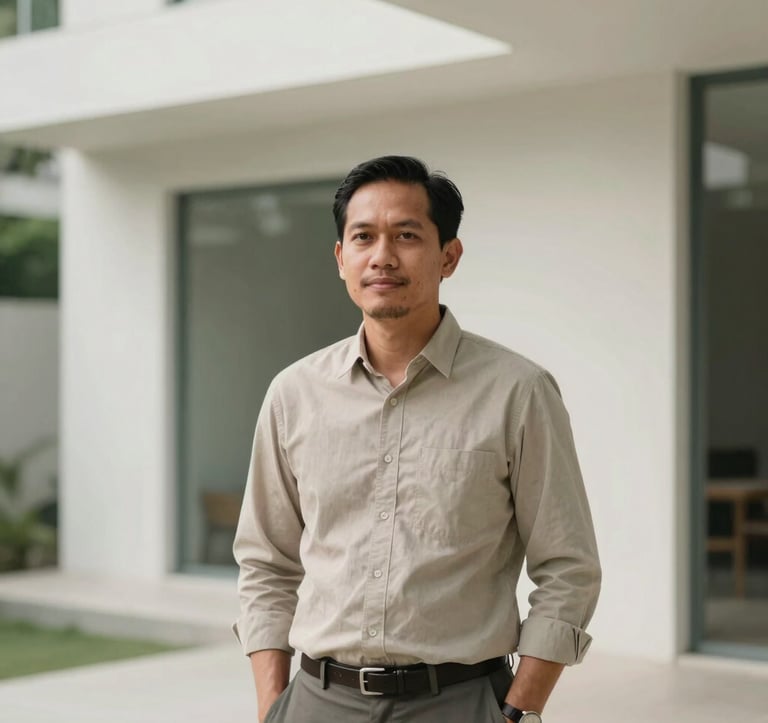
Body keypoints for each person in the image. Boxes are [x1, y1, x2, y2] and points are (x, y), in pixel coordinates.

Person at [233, 155, 601, 723]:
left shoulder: (518, 391)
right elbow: (266, 563)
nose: (382, 256)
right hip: (316, 701)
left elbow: (568, 566)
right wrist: (272, 705)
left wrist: (521, 709)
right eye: (363, 237)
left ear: (448, 256)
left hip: (462, 701)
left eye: (407, 235)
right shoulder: (294, 394)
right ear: (341, 258)